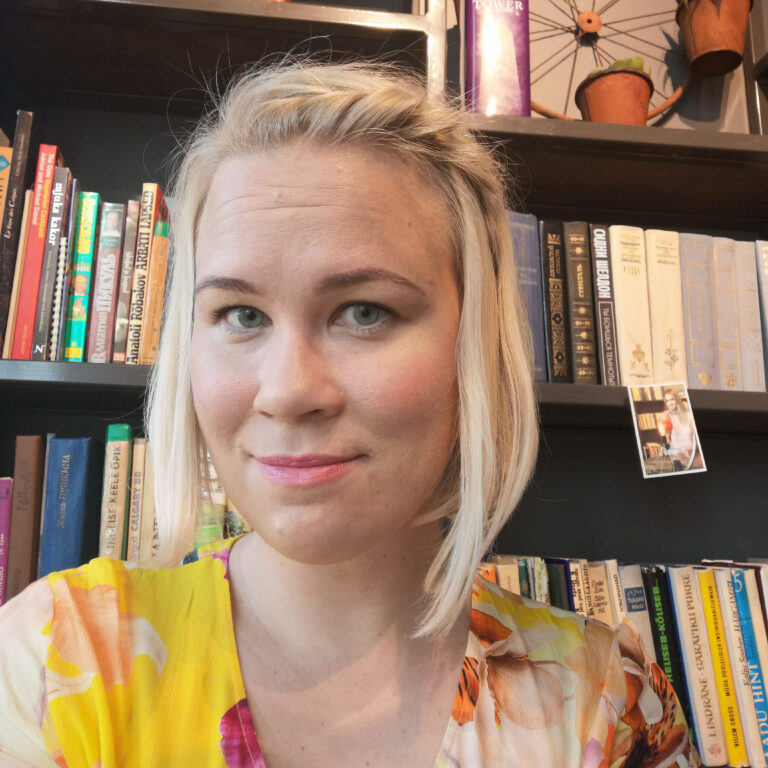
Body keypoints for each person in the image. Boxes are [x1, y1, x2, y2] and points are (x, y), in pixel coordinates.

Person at [0, 60, 699, 767]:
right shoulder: (50, 665)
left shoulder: (606, 703)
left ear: (475, 345)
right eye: (241, 314)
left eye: (364, 312)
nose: (287, 391)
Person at [662, 388, 697, 471]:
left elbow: (696, 437)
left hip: (691, 455)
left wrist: (692, 450)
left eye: (672, 399)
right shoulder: (667, 416)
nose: (670, 403)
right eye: (667, 401)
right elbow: (667, 441)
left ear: (677, 399)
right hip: (676, 456)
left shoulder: (688, 415)